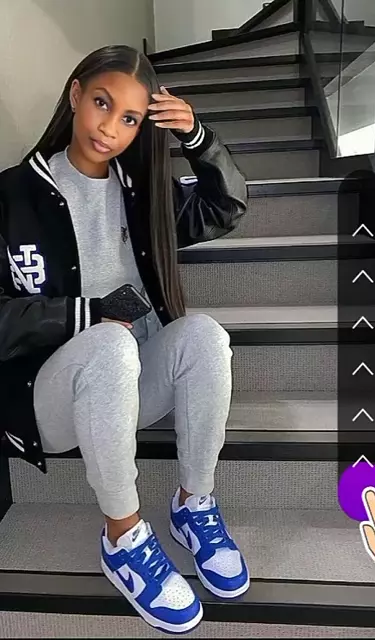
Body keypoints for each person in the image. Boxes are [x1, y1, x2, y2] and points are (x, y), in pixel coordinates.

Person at [0, 44, 249, 634]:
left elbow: (227, 206)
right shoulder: (12, 195)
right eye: (102, 103)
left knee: (204, 335)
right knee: (109, 344)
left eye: (131, 118)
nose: (110, 128)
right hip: (50, 399)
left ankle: (193, 504)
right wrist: (86, 315)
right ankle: (123, 536)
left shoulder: (141, 194)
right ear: (75, 95)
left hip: (132, 386)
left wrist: (198, 138)